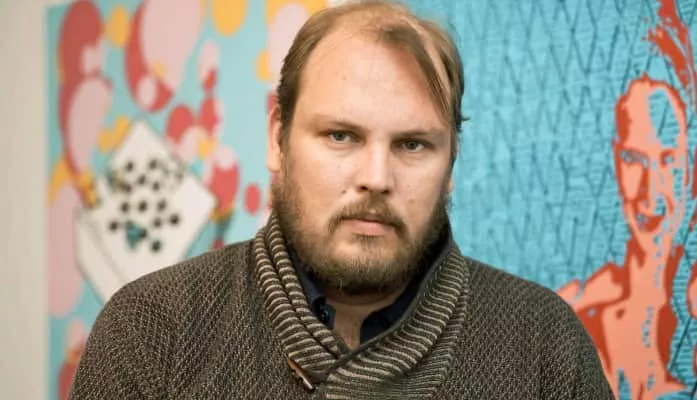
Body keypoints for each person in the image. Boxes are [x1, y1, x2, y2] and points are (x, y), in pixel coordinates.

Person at [69, 1, 613, 398]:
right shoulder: (152, 331)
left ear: (451, 162)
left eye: (413, 144)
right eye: (341, 136)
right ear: (277, 139)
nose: (376, 178)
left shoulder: (545, 345)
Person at [558, 75, 697, 399]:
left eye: (668, 161)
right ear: (616, 164)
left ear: (688, 170)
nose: (651, 193)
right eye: (634, 160)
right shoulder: (578, 311)